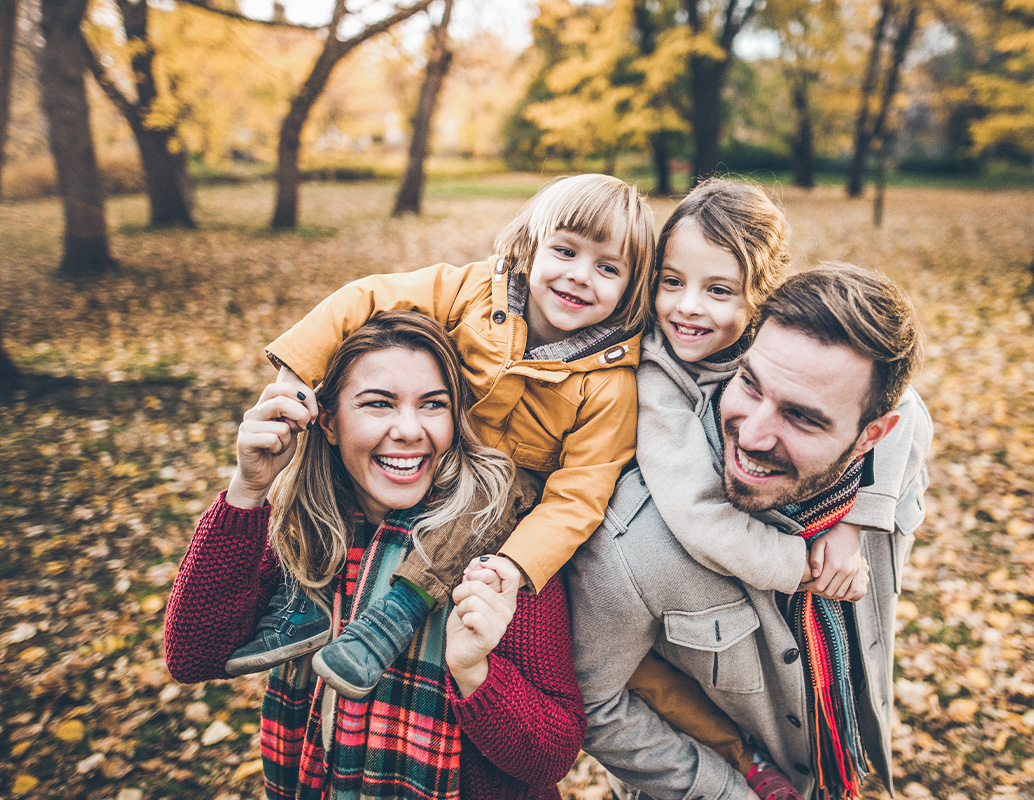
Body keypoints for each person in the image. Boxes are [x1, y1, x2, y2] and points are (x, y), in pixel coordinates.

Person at [224, 173, 657, 700]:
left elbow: (580, 494)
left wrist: (516, 567)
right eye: (565, 251)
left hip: (504, 484)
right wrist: (296, 372)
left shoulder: (609, 384)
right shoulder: (477, 290)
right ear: (532, 244)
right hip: (436, 441)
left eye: (607, 268)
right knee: (338, 433)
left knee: (490, 497)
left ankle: (395, 615)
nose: (580, 276)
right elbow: (369, 295)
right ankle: (306, 597)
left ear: (631, 287)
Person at [164, 311, 585, 800]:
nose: (408, 429)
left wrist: (475, 672)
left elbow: (553, 755)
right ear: (329, 423)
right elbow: (193, 657)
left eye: (433, 405)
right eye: (379, 404)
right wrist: (248, 491)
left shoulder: (500, 543)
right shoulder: (307, 533)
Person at [566, 265, 933, 800]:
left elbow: (912, 412)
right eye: (750, 383)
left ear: (871, 437)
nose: (753, 434)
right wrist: (724, 791)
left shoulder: (883, 488)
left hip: (839, 770)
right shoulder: (634, 544)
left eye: (802, 417)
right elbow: (592, 704)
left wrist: (859, 519)